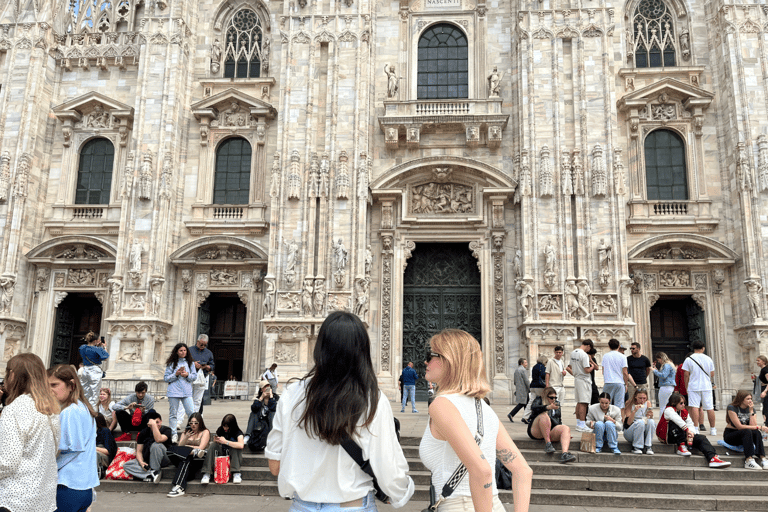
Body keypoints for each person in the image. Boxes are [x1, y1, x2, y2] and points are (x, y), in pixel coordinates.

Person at [266, 311, 415, 510]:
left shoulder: (292, 394)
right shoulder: (372, 400)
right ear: (362, 351)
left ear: (319, 348)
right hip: (352, 506)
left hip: (302, 506)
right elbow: (388, 467)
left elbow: (275, 466)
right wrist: (402, 493)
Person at [420, 329, 532, 512]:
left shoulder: (441, 405)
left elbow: (482, 470)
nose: (426, 361)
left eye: (430, 355)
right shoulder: (483, 407)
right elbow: (523, 471)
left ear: (449, 360)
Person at [0, 353, 60, 512]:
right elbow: (54, 450)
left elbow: (7, 462)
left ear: (12, 375)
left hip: (15, 500)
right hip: (43, 499)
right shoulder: (50, 409)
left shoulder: (14, 409)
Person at [48, 364, 100, 511]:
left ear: (71, 385)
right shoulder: (84, 407)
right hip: (84, 486)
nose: (49, 390)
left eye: (54, 385)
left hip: (68, 484)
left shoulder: (69, 412)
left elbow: (67, 449)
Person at [656, 392, 730, 468]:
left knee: (702, 438)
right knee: (675, 423)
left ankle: (712, 458)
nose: (683, 405)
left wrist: (691, 434)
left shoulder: (684, 412)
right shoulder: (668, 410)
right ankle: (681, 446)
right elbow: (678, 420)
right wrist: (687, 430)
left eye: (684, 403)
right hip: (668, 436)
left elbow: (690, 423)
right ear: (674, 403)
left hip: (681, 434)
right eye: (681, 403)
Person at [167, 412, 211, 497]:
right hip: (187, 457)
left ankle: (179, 487)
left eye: (196, 423)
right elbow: (179, 447)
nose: (193, 425)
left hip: (199, 458)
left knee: (185, 458)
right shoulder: (186, 432)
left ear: (200, 423)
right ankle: (179, 487)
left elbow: (201, 448)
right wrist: (186, 437)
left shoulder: (205, 432)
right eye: (191, 423)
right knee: (170, 451)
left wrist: (187, 447)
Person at [123, 411, 174, 483]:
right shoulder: (143, 433)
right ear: (148, 424)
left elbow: (159, 439)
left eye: (158, 422)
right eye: (154, 423)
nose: (156, 424)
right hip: (149, 460)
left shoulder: (166, 430)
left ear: (161, 421)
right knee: (127, 465)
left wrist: (154, 426)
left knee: (156, 445)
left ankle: (153, 471)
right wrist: (141, 463)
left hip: (165, 459)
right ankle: (151, 475)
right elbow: (139, 451)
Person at [528, 386, 576, 463]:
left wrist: (564, 434)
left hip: (550, 430)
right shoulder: (539, 399)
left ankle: (565, 454)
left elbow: (559, 421)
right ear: (545, 396)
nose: (554, 400)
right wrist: (547, 407)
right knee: (544, 416)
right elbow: (534, 408)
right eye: (551, 397)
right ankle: (548, 444)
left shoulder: (557, 404)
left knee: (566, 428)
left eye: (555, 397)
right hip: (536, 430)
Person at [723, 390, 768, 470]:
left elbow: (753, 426)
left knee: (756, 432)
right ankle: (748, 460)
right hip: (731, 435)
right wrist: (760, 427)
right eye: (747, 399)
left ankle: (763, 458)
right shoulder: (732, 408)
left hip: (746, 435)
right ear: (741, 399)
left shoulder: (751, 409)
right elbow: (739, 426)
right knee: (747, 431)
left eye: (751, 398)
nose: (750, 401)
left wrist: (751, 412)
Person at [164, 343, 198, 444]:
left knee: (192, 413)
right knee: (173, 414)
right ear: (177, 352)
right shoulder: (171, 363)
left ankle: (193, 432)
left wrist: (187, 375)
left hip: (186, 391)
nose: (183, 352)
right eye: (181, 351)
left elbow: (194, 376)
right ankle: (174, 433)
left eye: (184, 350)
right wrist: (176, 374)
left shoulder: (190, 363)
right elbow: (166, 378)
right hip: (174, 391)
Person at [682, 341, 717, 435]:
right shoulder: (708, 359)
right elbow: (712, 374)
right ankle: (713, 429)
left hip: (693, 386)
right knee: (710, 407)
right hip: (706, 386)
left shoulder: (689, 359)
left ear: (693, 348)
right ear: (703, 348)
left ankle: (696, 428)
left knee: (694, 407)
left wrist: (686, 387)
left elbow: (686, 375)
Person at [201, 414, 244, 484]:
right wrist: (216, 440)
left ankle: (236, 472)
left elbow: (241, 445)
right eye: (224, 426)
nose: (225, 428)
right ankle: (207, 473)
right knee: (213, 445)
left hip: (232, 455)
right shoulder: (220, 429)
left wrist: (226, 442)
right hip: (222, 453)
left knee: (235, 447)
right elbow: (216, 439)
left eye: (227, 427)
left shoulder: (238, 432)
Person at [566, 339, 597, 432]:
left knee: (579, 402)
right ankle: (582, 424)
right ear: (588, 346)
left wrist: (575, 374)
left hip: (577, 379)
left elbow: (569, 367)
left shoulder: (573, 353)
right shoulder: (584, 354)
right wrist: (592, 366)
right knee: (584, 402)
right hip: (584, 380)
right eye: (589, 348)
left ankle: (579, 423)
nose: (589, 351)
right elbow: (587, 370)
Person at [78, 331, 109, 409]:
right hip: (95, 371)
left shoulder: (82, 347)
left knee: (84, 392)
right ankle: (92, 412)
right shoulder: (98, 349)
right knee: (94, 395)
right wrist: (104, 347)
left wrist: (96, 346)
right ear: (95, 340)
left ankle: (82, 408)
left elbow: (88, 351)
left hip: (85, 369)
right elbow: (105, 358)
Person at [245, 380, 277, 452]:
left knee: (272, 413)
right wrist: (261, 398)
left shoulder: (276, 398)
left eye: (268, 386)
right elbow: (254, 408)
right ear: (261, 389)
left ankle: (273, 437)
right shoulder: (258, 398)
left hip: (270, 422)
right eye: (265, 387)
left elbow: (274, 408)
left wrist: (271, 397)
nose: (267, 388)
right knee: (253, 413)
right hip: (260, 422)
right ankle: (248, 435)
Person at [622, 388, 655, 455]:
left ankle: (648, 446)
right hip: (630, 431)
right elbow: (628, 423)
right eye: (640, 398)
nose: (642, 400)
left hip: (642, 430)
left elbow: (648, 419)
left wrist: (650, 415)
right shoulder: (629, 403)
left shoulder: (648, 403)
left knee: (651, 421)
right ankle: (637, 447)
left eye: (644, 398)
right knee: (640, 422)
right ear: (635, 397)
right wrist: (634, 411)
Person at [189, 334, 215, 415]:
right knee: (187, 397)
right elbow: (183, 362)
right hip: (189, 377)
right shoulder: (189, 350)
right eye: (201, 344)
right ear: (197, 341)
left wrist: (207, 366)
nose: (203, 346)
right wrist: (193, 364)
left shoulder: (209, 353)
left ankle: (196, 416)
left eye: (205, 345)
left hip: (202, 377)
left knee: (198, 399)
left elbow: (212, 365)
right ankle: (179, 420)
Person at [602, 339, 629, 408]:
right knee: (619, 405)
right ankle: (618, 418)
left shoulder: (605, 356)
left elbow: (603, 370)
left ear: (609, 346)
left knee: (606, 403)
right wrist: (626, 384)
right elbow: (625, 372)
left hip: (608, 381)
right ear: (619, 346)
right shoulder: (623, 357)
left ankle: (607, 418)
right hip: (620, 382)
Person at [627, 342, 652, 407]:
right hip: (632, 384)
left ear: (638, 349)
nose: (632, 350)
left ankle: (645, 414)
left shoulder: (645, 359)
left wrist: (644, 377)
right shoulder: (628, 359)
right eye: (631, 348)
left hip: (643, 383)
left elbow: (648, 369)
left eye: (633, 348)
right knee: (631, 400)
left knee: (644, 400)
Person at [653, 352, 676, 417]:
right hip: (670, 387)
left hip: (665, 387)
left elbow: (663, 375)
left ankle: (662, 422)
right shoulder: (670, 365)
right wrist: (656, 370)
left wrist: (654, 371)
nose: (658, 361)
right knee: (668, 406)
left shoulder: (666, 365)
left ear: (661, 358)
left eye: (658, 360)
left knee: (662, 406)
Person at [95, 413, 117, 479]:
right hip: (96, 454)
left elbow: (108, 451)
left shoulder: (105, 431)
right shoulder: (89, 432)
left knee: (93, 454)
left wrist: (92, 448)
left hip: (105, 458)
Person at [507, 358, 529, 423]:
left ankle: (525, 418)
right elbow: (526, 381)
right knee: (523, 404)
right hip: (524, 389)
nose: (526, 364)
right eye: (525, 362)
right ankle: (512, 414)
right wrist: (530, 388)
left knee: (525, 404)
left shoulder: (516, 370)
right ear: (521, 363)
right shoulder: (523, 370)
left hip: (519, 389)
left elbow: (515, 381)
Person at [753, 355, 767, 426]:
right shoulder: (763, 369)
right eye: (757, 360)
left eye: (758, 360)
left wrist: (764, 392)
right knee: (765, 408)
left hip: (766, 390)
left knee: (766, 408)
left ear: (763, 361)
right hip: (764, 389)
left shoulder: (765, 370)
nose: (757, 362)